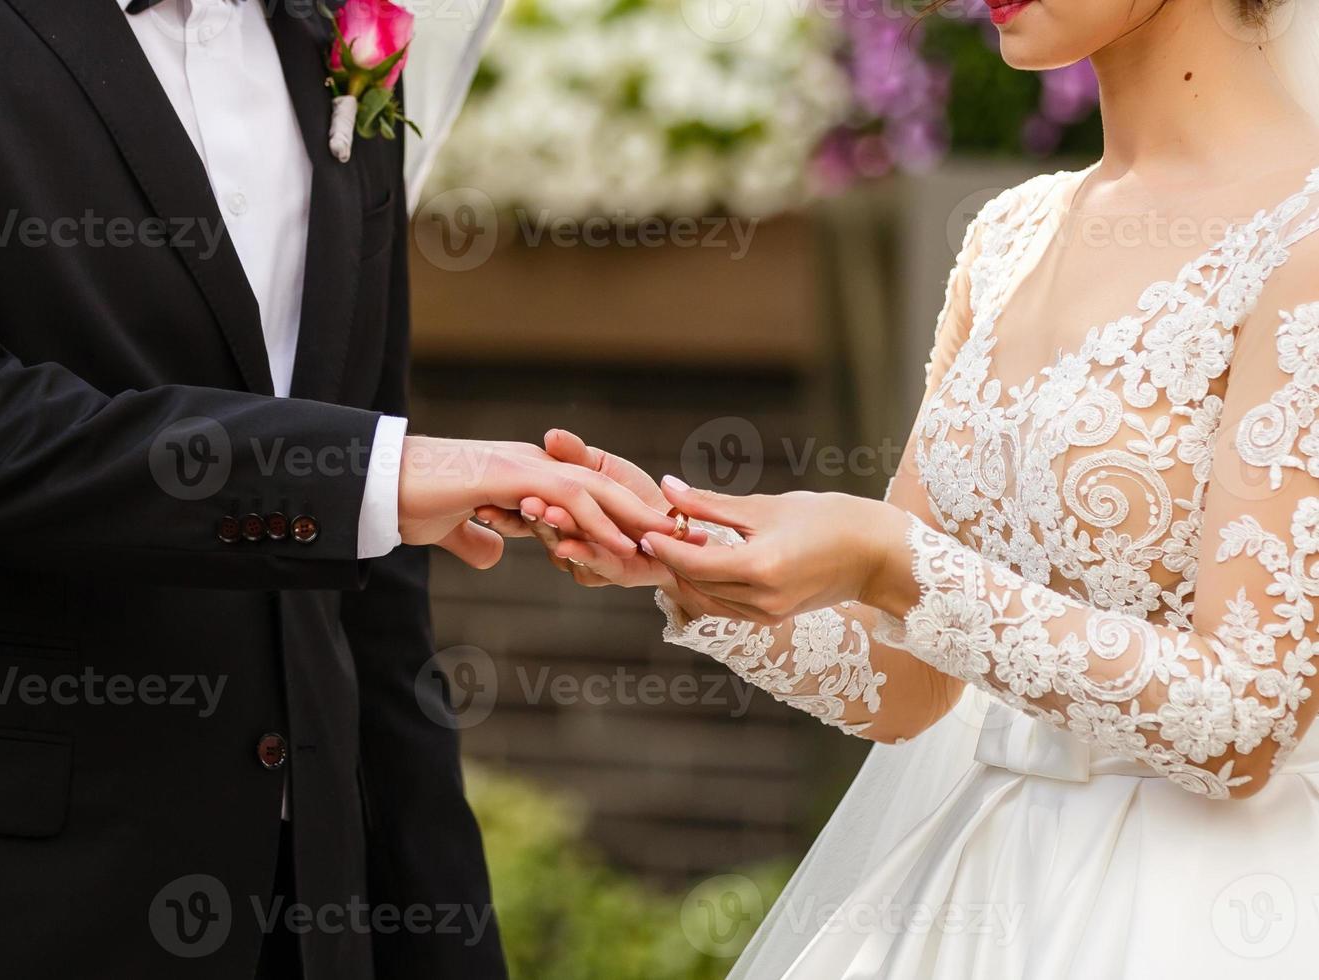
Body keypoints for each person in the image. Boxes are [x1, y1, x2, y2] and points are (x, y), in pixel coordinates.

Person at [0, 2, 669, 977]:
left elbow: (373, 585)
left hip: (308, 907)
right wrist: (369, 471)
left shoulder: (337, 31)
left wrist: (443, 933)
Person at [492, 0, 1319, 974]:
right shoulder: (1009, 234)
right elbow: (908, 680)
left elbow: (1243, 720)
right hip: (977, 893)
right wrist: (680, 549)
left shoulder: (1299, 239)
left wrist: (885, 557)